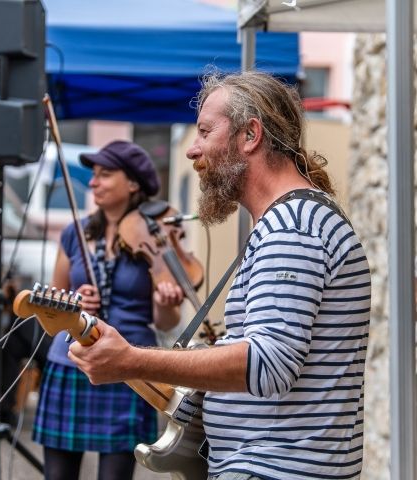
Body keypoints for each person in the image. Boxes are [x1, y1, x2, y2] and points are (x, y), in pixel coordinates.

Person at [68, 71, 371, 480]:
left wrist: (131, 360)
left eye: (205, 131)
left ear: (250, 135)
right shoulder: (292, 221)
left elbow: (267, 364)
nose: (193, 150)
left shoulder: (292, 228)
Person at [33, 140, 184, 480]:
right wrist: (74, 303)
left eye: (105, 174)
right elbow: (54, 307)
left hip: (128, 365)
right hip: (70, 360)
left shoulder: (157, 235)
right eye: (93, 175)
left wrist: (165, 303)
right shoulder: (75, 232)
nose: (93, 183)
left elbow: (166, 321)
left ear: (133, 183)